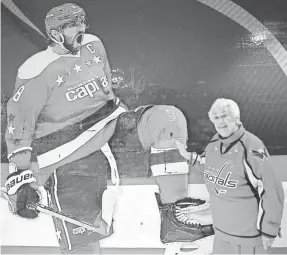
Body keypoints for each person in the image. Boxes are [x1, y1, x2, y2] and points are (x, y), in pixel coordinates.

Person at [4, 3, 127, 254]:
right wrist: (20, 175)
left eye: (82, 23)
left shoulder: (94, 45)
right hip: (67, 159)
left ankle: (174, 219)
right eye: (73, 26)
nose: (80, 30)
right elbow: (19, 124)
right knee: (83, 244)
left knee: (165, 118)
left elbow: (105, 93)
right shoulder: (36, 70)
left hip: (105, 141)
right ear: (55, 34)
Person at [175, 98, 284, 254]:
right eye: (217, 118)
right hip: (221, 233)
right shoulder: (214, 143)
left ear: (236, 118)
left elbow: (272, 191)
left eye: (225, 116)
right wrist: (189, 157)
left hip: (248, 239)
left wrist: (269, 230)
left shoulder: (252, 147)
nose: (221, 121)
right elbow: (210, 168)